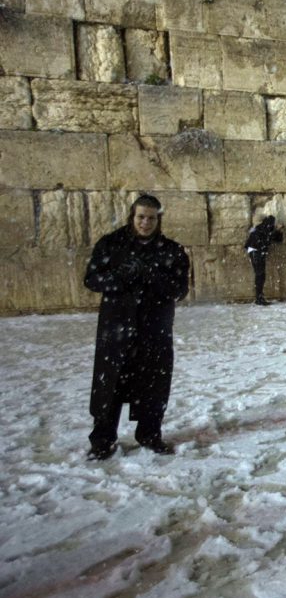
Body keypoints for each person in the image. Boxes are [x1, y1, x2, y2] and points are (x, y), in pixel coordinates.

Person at [83, 194, 190, 460]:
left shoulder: (171, 250)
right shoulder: (111, 245)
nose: (145, 223)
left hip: (154, 328)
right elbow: (92, 279)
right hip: (116, 328)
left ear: (158, 219)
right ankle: (102, 440)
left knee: (153, 383)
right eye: (141, 217)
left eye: (151, 218)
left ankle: (150, 435)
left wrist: (153, 275)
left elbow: (180, 289)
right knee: (110, 384)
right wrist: (119, 277)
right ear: (132, 216)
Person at [245, 214, 283, 306]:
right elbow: (267, 238)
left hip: (258, 251)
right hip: (255, 251)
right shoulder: (261, 228)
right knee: (260, 274)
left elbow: (278, 240)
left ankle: (260, 297)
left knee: (261, 275)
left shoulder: (264, 229)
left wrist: (279, 231)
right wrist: (276, 229)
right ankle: (259, 298)